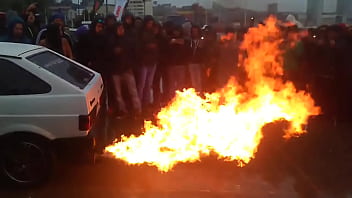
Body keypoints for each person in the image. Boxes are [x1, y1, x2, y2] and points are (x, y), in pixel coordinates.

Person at [111, 23, 142, 116]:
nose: (121, 30)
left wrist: (131, 66)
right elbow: (108, 55)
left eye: (122, 28)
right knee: (118, 94)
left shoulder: (128, 41)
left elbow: (134, 54)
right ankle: (123, 110)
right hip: (116, 71)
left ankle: (137, 110)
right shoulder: (112, 41)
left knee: (133, 92)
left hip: (127, 70)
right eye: (119, 28)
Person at [137, 15, 159, 108]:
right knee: (141, 85)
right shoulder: (140, 33)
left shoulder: (152, 33)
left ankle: (146, 104)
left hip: (152, 62)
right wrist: (147, 46)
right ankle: (139, 104)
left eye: (151, 23)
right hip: (143, 62)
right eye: (149, 23)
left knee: (148, 84)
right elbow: (138, 46)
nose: (150, 25)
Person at [167, 25, 188, 99]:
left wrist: (175, 41)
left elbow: (184, 45)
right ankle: (171, 99)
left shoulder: (184, 40)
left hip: (181, 65)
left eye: (178, 31)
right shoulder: (169, 39)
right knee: (171, 84)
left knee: (180, 84)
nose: (176, 32)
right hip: (172, 65)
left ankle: (179, 99)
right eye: (175, 31)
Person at [186, 25, 204, 92]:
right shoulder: (189, 41)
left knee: (199, 79)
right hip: (191, 62)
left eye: (196, 31)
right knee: (193, 79)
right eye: (193, 31)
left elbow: (203, 52)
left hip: (199, 63)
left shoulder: (201, 41)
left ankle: (199, 93)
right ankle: (195, 94)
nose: (194, 33)